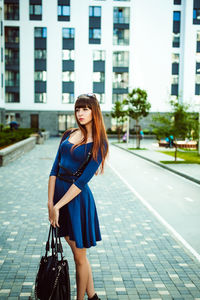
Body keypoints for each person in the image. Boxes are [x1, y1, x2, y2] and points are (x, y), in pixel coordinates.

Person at [48, 93, 109, 300]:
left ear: (94, 111)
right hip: (59, 199)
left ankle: (80, 298)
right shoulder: (68, 135)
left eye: (85, 109)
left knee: (79, 257)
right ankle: (92, 296)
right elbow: (54, 169)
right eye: (77, 109)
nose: (80, 113)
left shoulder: (99, 144)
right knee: (79, 254)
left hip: (77, 201)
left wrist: (58, 205)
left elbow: (81, 182)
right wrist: (51, 204)